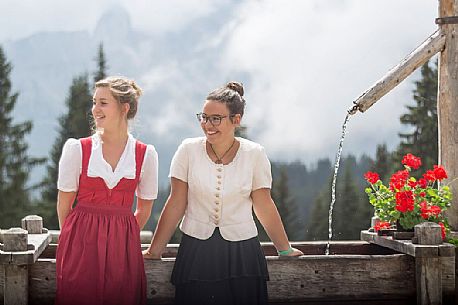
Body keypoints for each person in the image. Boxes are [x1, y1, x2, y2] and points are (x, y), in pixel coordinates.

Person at [143, 81, 303, 305]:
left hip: (243, 254)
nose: (208, 124)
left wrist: (284, 249)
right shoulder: (187, 150)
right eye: (204, 117)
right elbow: (176, 202)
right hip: (196, 251)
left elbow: (263, 204)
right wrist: (154, 250)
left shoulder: (254, 154)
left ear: (236, 120)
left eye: (216, 118)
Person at [55, 76, 158, 305]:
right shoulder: (77, 149)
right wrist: (75, 241)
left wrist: (120, 237)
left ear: (125, 108)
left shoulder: (145, 154)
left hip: (123, 250)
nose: (95, 109)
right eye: (94, 102)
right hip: (79, 247)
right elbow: (64, 205)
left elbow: (144, 209)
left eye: (103, 103)